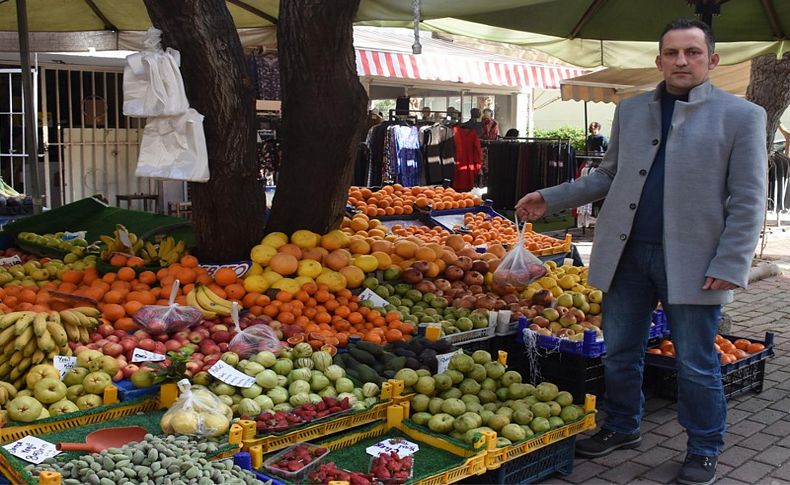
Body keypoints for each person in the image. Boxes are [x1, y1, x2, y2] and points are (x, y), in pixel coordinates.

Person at [516, 18, 766, 485]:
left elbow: (749, 198)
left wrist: (732, 262)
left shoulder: (743, 116)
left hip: (695, 262)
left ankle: (704, 447)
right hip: (625, 254)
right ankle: (622, 425)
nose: (681, 61)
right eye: (672, 53)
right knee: (619, 352)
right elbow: (608, 176)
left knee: (695, 362)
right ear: (659, 60)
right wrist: (550, 197)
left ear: (712, 60)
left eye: (692, 52)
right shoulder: (631, 112)